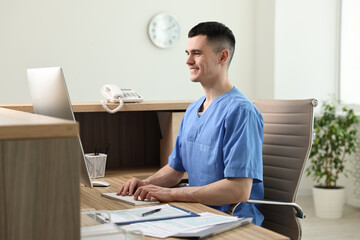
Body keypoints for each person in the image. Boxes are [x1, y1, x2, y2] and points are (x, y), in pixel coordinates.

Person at [117, 21, 264, 225]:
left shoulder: (240, 112)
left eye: (197, 53)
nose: (188, 61)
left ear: (222, 56)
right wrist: (145, 184)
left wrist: (174, 194)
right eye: (187, 53)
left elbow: (239, 189)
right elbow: (176, 169)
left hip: (230, 219)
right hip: (195, 212)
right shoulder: (193, 109)